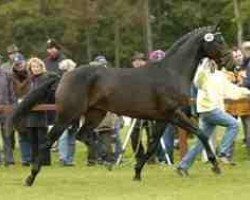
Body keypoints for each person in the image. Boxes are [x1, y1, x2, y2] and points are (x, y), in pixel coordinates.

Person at [177, 58, 250, 176]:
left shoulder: (220, 76)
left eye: (213, 61)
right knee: (234, 124)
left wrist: (247, 92)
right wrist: (203, 65)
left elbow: (232, 91)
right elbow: (197, 81)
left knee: (201, 142)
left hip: (209, 112)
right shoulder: (203, 75)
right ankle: (223, 153)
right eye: (210, 62)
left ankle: (182, 166)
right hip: (210, 110)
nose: (213, 63)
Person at [26, 57, 52, 166]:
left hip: (41, 112)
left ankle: (44, 160)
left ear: (42, 67)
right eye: (33, 67)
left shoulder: (45, 78)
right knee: (32, 138)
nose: (35, 69)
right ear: (30, 69)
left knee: (42, 138)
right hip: (31, 113)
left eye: (37, 67)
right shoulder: (31, 80)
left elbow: (47, 94)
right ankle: (34, 159)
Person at [10, 53, 32, 166]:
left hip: (32, 107)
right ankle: (25, 159)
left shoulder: (31, 73)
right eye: (16, 64)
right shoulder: (10, 76)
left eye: (20, 63)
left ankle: (33, 157)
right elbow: (14, 90)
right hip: (17, 108)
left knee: (32, 133)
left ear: (24, 62)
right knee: (22, 134)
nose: (19, 66)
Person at [57, 59, 78, 166]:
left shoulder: (77, 83)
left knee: (72, 138)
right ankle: (63, 158)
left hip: (75, 114)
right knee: (63, 136)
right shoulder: (60, 82)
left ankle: (70, 159)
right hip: (64, 114)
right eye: (64, 70)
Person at [0, 64, 16, 166]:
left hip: (6, 109)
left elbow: (12, 93)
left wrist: (12, 106)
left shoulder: (6, 75)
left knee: (7, 135)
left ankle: (9, 160)